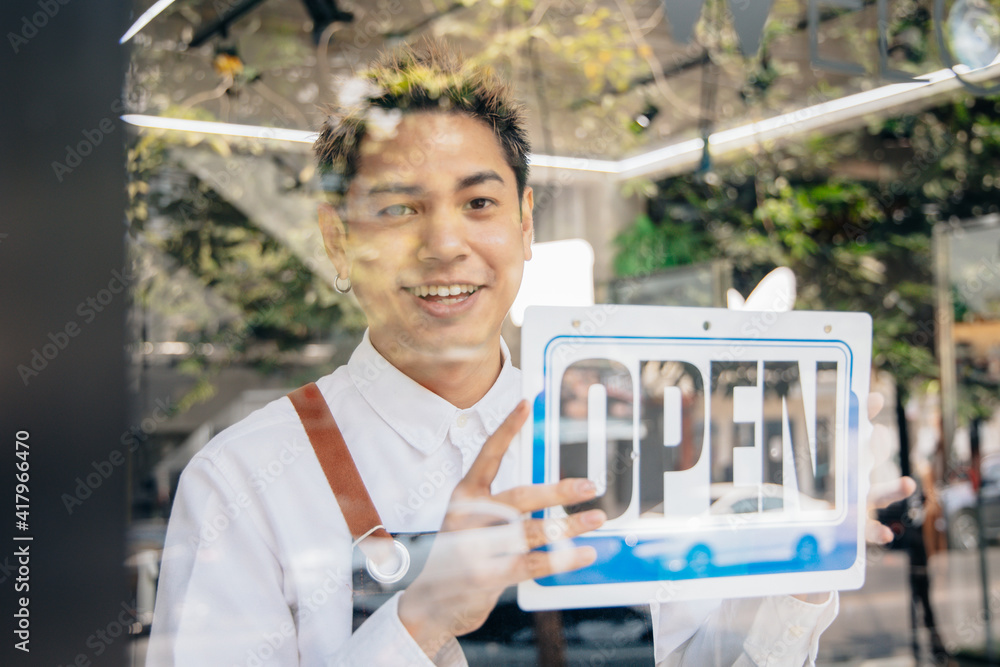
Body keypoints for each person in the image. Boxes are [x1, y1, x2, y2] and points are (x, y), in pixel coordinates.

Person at [147, 43, 911, 666]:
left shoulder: (624, 441)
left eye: (478, 203)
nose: (445, 243)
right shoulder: (243, 480)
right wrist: (420, 616)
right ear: (338, 242)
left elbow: (699, 657)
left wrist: (806, 567)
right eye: (397, 208)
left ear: (524, 224)